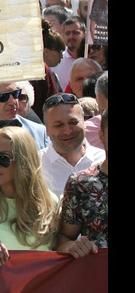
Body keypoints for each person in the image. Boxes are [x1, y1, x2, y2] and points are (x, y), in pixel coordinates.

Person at [0, 127, 60, 265]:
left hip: (39, 286)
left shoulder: (50, 202)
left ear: (24, 160)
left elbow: (61, 256)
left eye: (3, 159)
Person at [57, 110, 107, 258]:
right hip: (97, 275)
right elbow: (63, 239)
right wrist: (72, 246)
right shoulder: (80, 183)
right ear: (101, 136)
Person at [38, 94, 105, 196]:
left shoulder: (103, 159)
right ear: (47, 129)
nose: (67, 131)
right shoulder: (36, 166)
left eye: (73, 122)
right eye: (59, 125)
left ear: (84, 122)